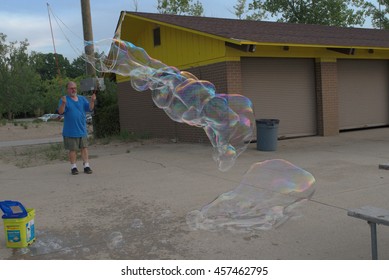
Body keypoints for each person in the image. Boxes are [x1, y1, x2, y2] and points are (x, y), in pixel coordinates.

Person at [58, 81, 96, 175]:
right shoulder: (64, 99)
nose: (73, 90)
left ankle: (86, 165)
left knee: (84, 148)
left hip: (82, 129)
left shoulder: (82, 99)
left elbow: (90, 108)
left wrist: (92, 101)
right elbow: (60, 112)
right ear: (67, 89)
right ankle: (73, 167)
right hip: (70, 130)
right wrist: (63, 103)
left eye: (74, 88)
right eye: (71, 88)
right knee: (73, 150)